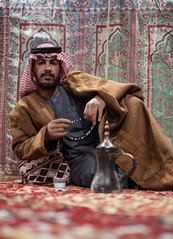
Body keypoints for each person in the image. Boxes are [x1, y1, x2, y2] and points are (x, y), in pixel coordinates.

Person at [10, 43, 173, 190]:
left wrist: (101, 98)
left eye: (53, 63)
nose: (48, 68)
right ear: (33, 68)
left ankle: (159, 170)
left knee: (132, 102)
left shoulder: (76, 82)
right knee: (101, 176)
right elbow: (20, 148)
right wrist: (45, 135)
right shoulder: (25, 107)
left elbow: (117, 87)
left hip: (107, 140)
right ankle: (137, 179)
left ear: (60, 67)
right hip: (79, 156)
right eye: (41, 63)